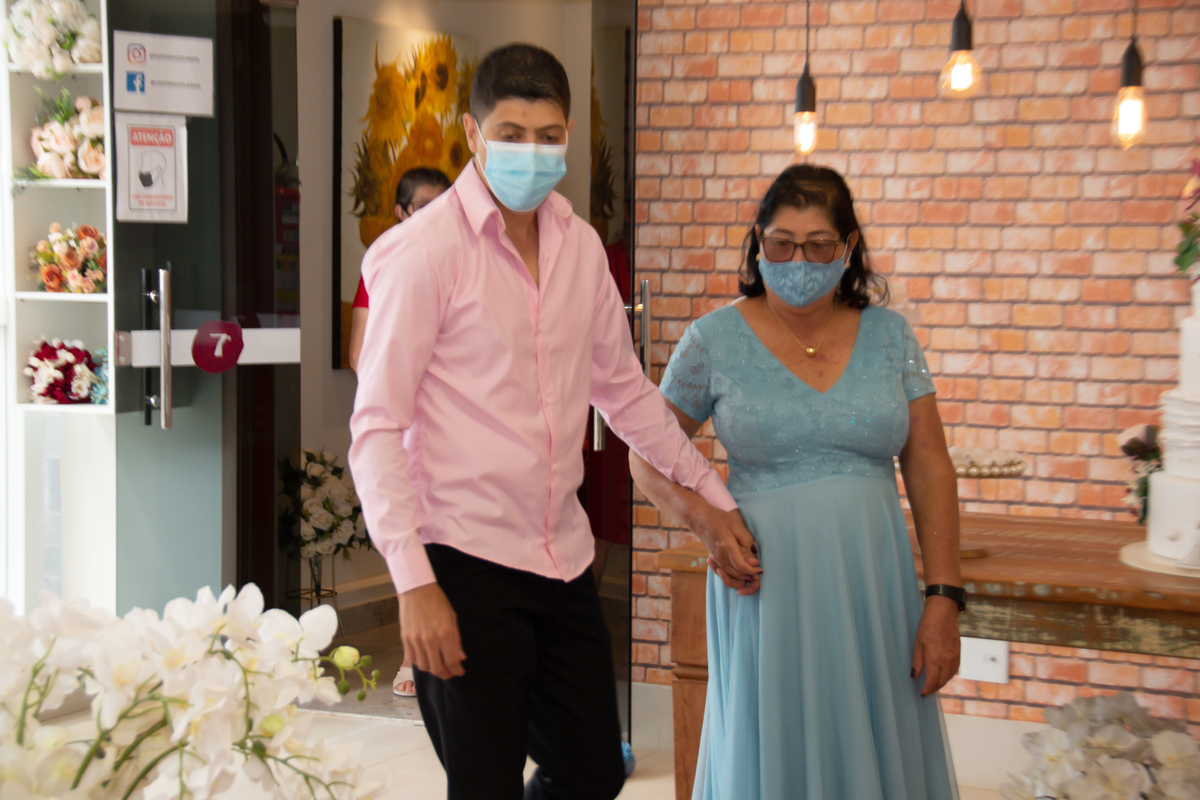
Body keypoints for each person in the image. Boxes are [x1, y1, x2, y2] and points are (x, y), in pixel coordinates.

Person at [349, 43, 755, 800]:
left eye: (547, 135)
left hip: (561, 556)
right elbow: (375, 428)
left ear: (568, 133)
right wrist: (412, 583)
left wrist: (713, 497)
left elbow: (625, 392)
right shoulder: (421, 254)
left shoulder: (580, 246)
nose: (530, 151)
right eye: (511, 133)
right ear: (472, 133)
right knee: (486, 783)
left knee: (593, 769)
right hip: (462, 559)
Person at [631, 164, 963, 800]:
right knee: (775, 752)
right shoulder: (713, 339)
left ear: (849, 247)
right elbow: (644, 455)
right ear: (758, 243)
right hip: (767, 591)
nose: (798, 261)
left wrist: (944, 597)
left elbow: (929, 465)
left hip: (872, 587)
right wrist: (705, 521)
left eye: (818, 246)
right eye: (781, 244)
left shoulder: (890, 336)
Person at [348, 167, 452, 373]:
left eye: (441, 207)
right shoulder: (382, 263)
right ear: (401, 212)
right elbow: (357, 355)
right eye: (423, 207)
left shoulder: (464, 260)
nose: (433, 216)